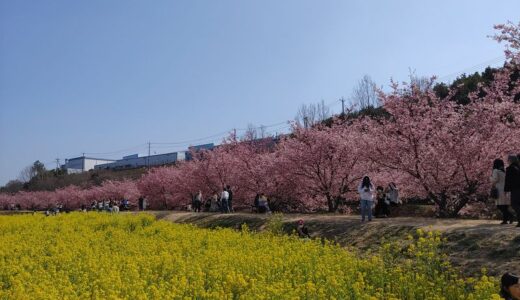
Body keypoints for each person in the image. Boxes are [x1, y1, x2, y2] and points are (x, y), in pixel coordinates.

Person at [491, 159, 513, 224]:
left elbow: (495, 179)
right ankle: (505, 220)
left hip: (499, 190)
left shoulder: (495, 170)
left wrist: (490, 178)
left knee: (499, 206)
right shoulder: (504, 171)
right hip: (506, 190)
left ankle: (510, 216)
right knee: (505, 206)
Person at [505, 155, 520, 227]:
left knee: (514, 204)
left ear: (511, 160)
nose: (507, 161)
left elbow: (508, 181)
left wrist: (506, 190)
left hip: (515, 189)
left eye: (508, 160)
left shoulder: (510, 168)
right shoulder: (518, 167)